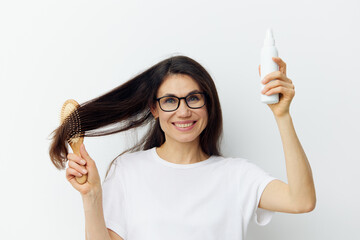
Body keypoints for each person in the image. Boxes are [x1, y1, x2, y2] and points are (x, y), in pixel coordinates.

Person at [52, 55, 316, 240]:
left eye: (193, 98)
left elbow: (302, 201)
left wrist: (282, 116)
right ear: (154, 108)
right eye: (170, 100)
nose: (183, 111)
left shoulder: (236, 176)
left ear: (208, 105)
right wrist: (91, 196)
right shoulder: (128, 171)